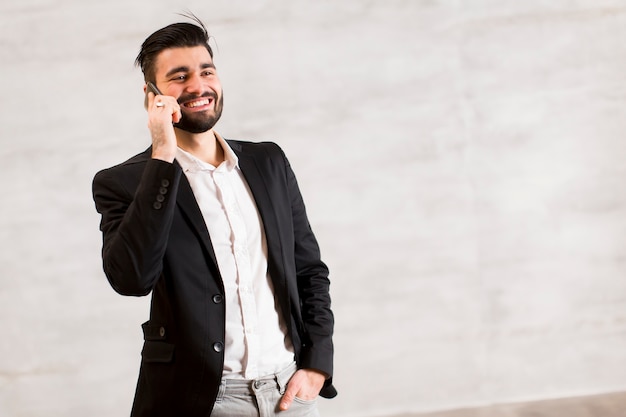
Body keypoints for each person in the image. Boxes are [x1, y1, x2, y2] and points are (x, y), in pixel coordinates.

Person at [92, 15, 336, 417]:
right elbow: (131, 279)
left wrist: (317, 363)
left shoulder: (268, 162)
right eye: (179, 76)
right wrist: (162, 155)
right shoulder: (125, 182)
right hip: (198, 401)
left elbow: (309, 269)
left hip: (287, 395)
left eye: (206, 71)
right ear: (152, 94)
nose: (198, 86)